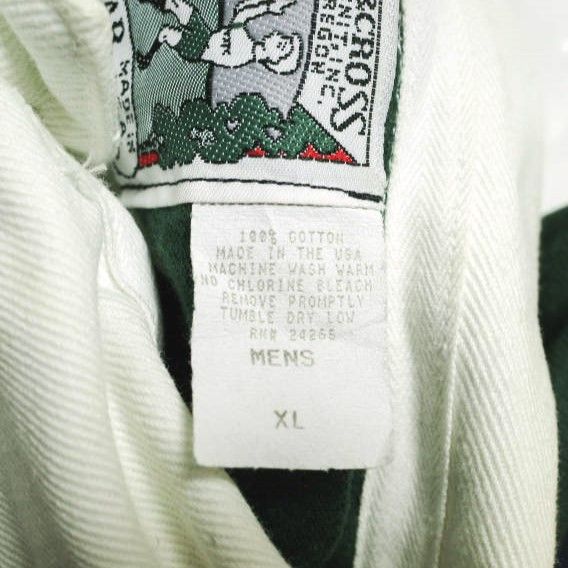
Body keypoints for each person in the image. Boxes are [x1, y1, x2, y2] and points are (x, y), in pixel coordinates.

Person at [137, 0, 302, 74]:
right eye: (285, 40)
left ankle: (146, 59)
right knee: (176, 4)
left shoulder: (245, 51)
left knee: (165, 32)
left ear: (274, 59)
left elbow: (241, 14)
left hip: (196, 48)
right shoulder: (248, 46)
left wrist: (268, 7)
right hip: (204, 35)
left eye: (283, 47)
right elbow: (242, 9)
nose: (282, 40)